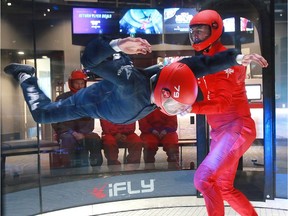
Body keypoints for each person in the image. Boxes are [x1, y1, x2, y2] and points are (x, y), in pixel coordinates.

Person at [3, 36, 268, 126]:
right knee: (41, 115)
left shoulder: (174, 74)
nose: (177, 110)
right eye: (176, 105)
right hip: (96, 102)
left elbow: (202, 64)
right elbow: (90, 63)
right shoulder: (131, 84)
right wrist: (115, 44)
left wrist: (236, 59)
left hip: (119, 97)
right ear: (163, 94)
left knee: (119, 71)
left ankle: (119, 53)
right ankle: (26, 75)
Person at [188, 10, 265, 216]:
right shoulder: (205, 61)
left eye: (201, 31)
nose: (196, 36)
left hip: (237, 128)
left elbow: (221, 105)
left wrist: (190, 107)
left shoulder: (228, 63)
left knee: (203, 178)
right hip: (222, 132)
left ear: (214, 30)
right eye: (193, 31)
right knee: (223, 187)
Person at [51, 70, 103, 167]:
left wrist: (83, 133)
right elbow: (56, 119)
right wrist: (72, 132)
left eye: (82, 83)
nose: (79, 86)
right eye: (77, 83)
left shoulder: (88, 99)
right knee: (68, 139)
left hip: (84, 132)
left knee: (95, 138)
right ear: (71, 83)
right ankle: (68, 166)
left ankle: (96, 167)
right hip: (66, 132)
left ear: (85, 84)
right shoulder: (62, 99)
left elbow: (90, 118)